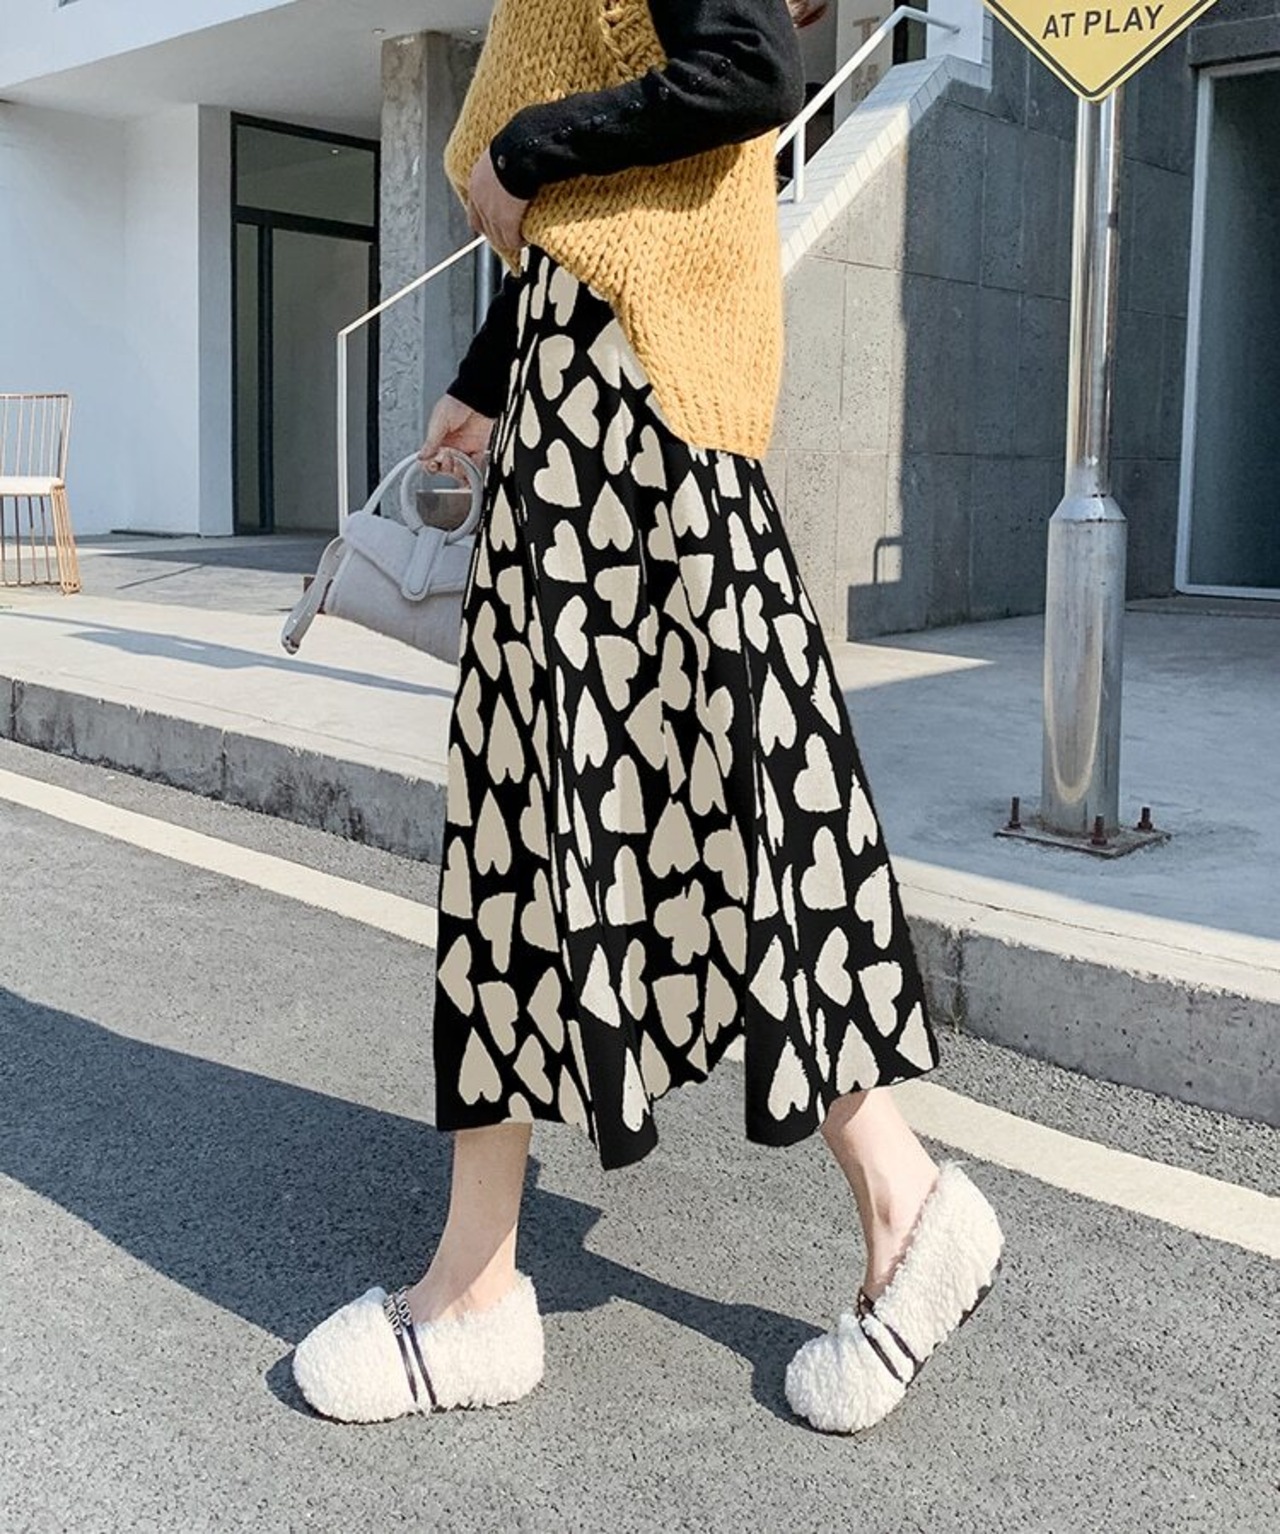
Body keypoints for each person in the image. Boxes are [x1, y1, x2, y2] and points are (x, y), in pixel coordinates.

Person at [291, 0, 1003, 1436]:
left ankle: (878, 1207)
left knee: (659, 814)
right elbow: (607, 213)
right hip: (594, 425)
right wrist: (486, 378)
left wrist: (523, 149)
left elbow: (748, 68)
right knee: (612, 821)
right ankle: (871, 1206)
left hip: (633, 441)